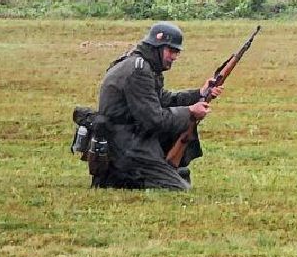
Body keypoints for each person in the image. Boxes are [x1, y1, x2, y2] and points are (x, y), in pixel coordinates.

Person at [93, 22, 219, 191]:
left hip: (129, 136)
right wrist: (189, 112)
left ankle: (123, 174)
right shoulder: (139, 70)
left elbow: (162, 99)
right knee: (179, 187)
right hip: (125, 143)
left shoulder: (143, 64)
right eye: (171, 50)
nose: (174, 56)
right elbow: (153, 120)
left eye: (177, 52)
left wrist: (200, 93)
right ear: (157, 47)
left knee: (181, 176)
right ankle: (119, 176)